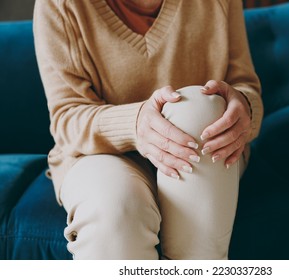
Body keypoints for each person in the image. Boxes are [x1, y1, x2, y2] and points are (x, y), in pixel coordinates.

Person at [33, 0, 263, 260]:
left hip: (202, 146)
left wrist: (245, 107)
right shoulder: (60, 5)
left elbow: (244, 86)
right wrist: (135, 124)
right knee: (115, 210)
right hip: (98, 155)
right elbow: (67, 117)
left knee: (197, 107)